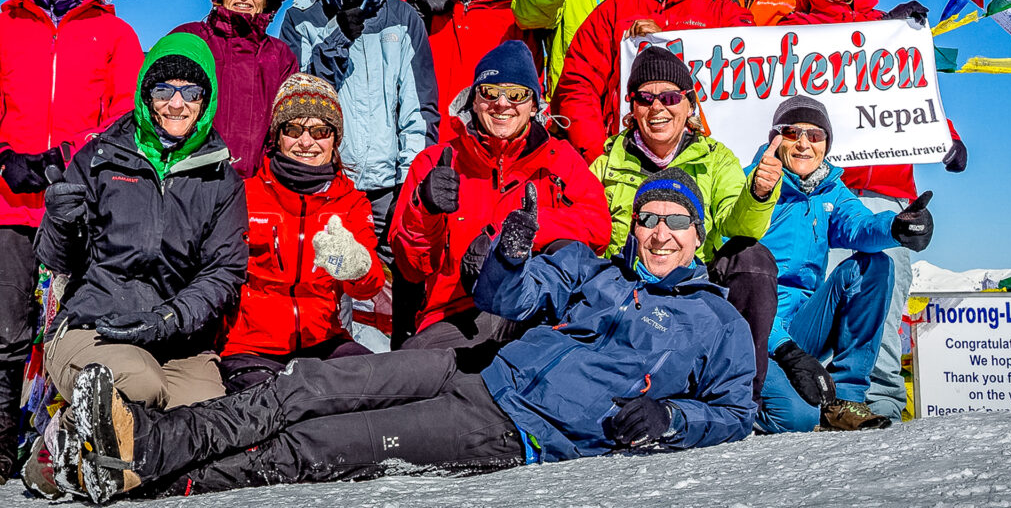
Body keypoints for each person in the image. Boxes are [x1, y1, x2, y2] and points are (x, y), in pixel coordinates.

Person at [57, 169, 757, 504]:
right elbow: (508, 297)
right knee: (312, 385)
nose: (659, 232)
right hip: (479, 374)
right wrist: (510, 259)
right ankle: (147, 441)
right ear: (633, 226)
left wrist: (673, 416)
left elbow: (736, 413)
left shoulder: (717, 320)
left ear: (698, 235)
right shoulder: (593, 269)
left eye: (676, 222)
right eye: (649, 218)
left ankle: (157, 481)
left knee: (324, 444)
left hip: (524, 430)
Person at [780, 0, 968, 423]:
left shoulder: (889, 32)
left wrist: (943, 135)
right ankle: (811, 393)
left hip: (880, 186)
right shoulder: (788, 31)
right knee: (808, 281)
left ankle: (878, 395)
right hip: (811, 189)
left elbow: (911, 94)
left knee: (883, 271)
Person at [0, 0, 143, 482]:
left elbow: (128, 113)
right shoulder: (4, 24)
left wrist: (77, 160)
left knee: (75, 326)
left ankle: (65, 441)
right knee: (8, 328)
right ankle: (2, 440)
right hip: (11, 202)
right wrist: (5, 157)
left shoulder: (114, 31)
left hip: (84, 206)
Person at [36, 32, 248, 415]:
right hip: (95, 326)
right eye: (164, 90)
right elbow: (58, 261)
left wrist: (168, 318)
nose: (177, 104)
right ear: (146, 95)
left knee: (204, 418)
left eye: (191, 92)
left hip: (179, 338)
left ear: (207, 99)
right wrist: (61, 221)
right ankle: (56, 447)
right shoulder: (101, 157)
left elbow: (223, 272)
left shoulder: (221, 179)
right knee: (138, 383)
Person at [390, 40, 611, 352]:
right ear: (474, 100)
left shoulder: (560, 158)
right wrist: (424, 208)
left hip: (534, 310)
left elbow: (597, 228)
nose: (502, 103)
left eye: (517, 94)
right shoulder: (435, 161)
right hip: (454, 314)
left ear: (534, 104)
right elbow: (411, 266)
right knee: (412, 371)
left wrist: (511, 235)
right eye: (490, 92)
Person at [280, 0, 439, 348]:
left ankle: (409, 350)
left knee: (408, 266)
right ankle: (335, 354)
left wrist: (413, 178)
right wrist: (332, 45)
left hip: (391, 178)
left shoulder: (402, 17)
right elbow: (296, 101)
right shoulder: (302, 19)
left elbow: (419, 105)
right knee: (330, 266)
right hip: (331, 177)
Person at [590, 46, 780, 404]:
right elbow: (584, 229)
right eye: (645, 98)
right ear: (632, 108)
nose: (657, 107)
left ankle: (739, 399)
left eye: (670, 96)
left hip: (696, 292)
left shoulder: (716, 157)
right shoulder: (605, 163)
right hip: (631, 294)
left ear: (690, 105)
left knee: (752, 259)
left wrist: (757, 192)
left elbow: (738, 225)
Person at [752, 96, 935, 433]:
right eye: (793, 133)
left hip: (804, 325)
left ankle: (846, 399)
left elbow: (860, 226)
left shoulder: (829, 190)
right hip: (757, 331)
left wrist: (896, 227)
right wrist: (757, 193)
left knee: (877, 265)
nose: (804, 143)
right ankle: (740, 410)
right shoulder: (753, 187)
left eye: (816, 135)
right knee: (797, 419)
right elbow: (742, 289)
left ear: (827, 144)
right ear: (776, 139)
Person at [219, 74, 385, 392]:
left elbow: (370, 287)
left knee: (379, 388)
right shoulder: (244, 195)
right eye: (293, 129)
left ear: (335, 138)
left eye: (319, 131)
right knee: (273, 410)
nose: (305, 142)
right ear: (277, 136)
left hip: (325, 342)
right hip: (251, 348)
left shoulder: (352, 202)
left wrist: (358, 266)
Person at [553, 0, 754, 163]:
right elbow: (578, 86)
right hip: (626, 157)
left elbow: (753, 62)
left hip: (703, 160)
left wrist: (666, 41)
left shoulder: (723, 11)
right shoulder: (613, 11)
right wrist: (599, 156)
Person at [399, 0, 540, 143]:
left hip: (491, 141)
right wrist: (415, 11)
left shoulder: (513, 5)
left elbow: (533, 76)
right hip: (425, 139)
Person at [172, 0, 297, 179]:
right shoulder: (189, 40)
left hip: (256, 187)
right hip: (187, 181)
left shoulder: (280, 56)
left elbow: (287, 125)